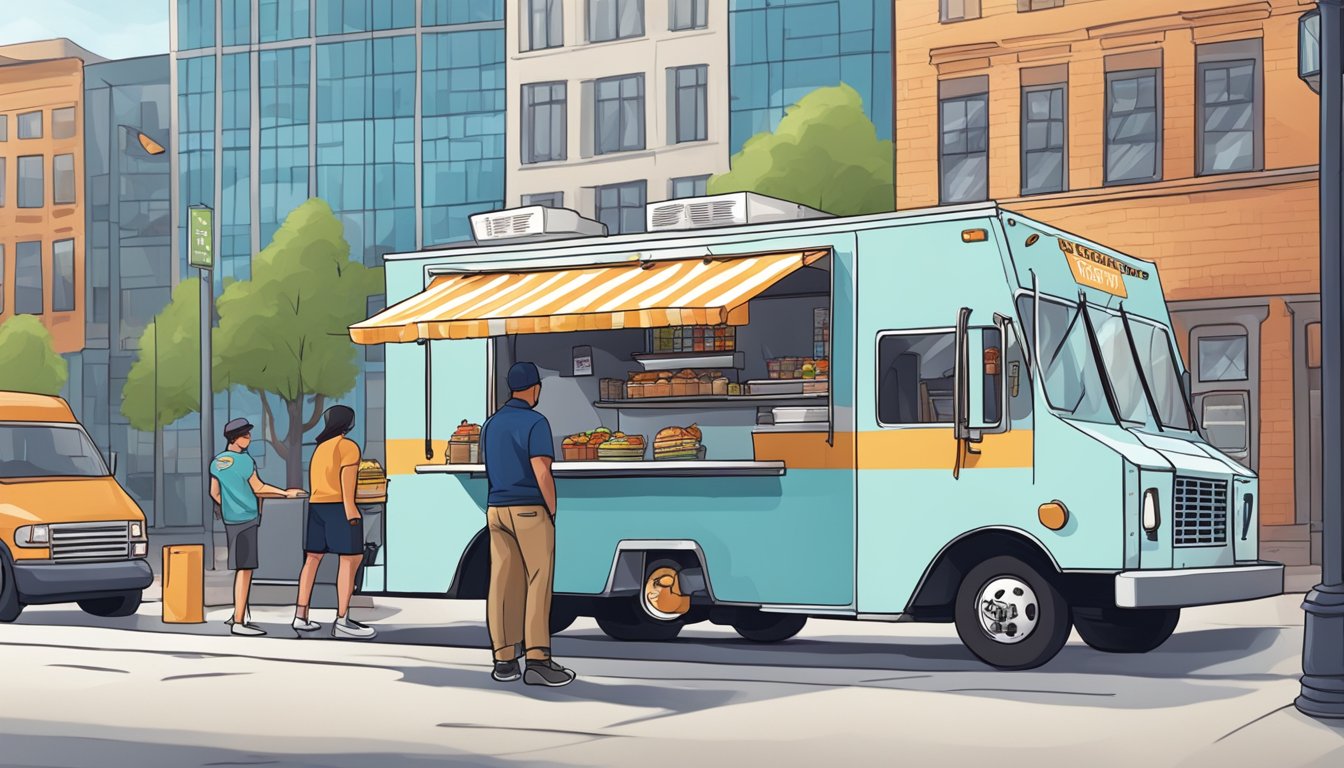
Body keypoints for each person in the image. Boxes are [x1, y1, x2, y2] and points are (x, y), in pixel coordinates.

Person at [480, 362, 574, 687]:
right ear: (534, 388)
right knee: (538, 581)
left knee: (503, 582)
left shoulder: (491, 424)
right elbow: (542, 471)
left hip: (496, 510)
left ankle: (504, 659)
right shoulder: (536, 422)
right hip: (529, 510)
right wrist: (551, 509)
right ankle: (537, 659)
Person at [209, 418, 304, 637]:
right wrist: (285, 493)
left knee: (241, 566)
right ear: (235, 438)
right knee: (245, 569)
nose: (249, 439)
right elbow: (259, 487)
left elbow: (214, 493)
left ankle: (236, 615)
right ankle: (239, 622)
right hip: (247, 518)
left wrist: (230, 505)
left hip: (230, 520)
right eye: (245, 436)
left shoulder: (217, 461)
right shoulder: (244, 462)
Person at [293, 405, 376, 639]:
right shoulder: (348, 447)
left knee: (312, 560)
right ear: (348, 423)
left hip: (316, 507)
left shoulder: (321, 448)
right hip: (339, 507)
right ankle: (342, 620)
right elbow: (346, 482)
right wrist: (352, 512)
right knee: (350, 561)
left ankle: (301, 616)